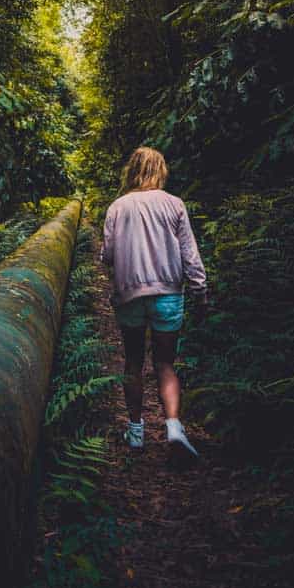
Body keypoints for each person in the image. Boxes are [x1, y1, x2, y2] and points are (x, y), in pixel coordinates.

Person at [101, 146, 208, 455]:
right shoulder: (174, 204)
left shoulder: (117, 207)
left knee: (133, 362)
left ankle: (135, 432)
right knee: (165, 363)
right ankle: (174, 427)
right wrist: (200, 291)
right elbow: (190, 253)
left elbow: (107, 255)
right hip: (168, 295)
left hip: (130, 295)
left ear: (132, 171)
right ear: (160, 170)